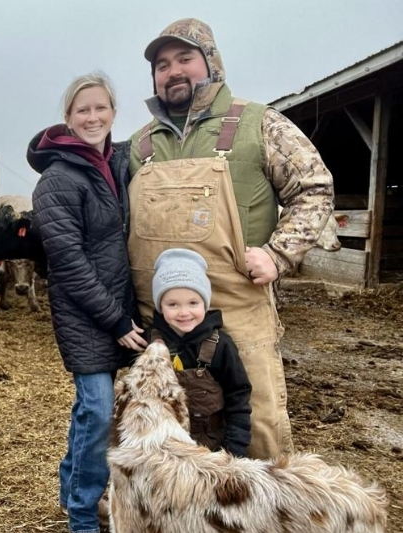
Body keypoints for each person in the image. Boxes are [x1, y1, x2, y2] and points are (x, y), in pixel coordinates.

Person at [126, 18, 335, 459]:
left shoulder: (260, 124)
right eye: (162, 65)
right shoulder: (140, 145)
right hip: (158, 316)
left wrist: (280, 254)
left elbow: (314, 187)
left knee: (255, 422)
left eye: (185, 58)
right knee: (162, 430)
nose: (173, 71)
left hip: (237, 304)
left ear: (211, 62)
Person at [28, 72, 147, 533]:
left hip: (121, 304)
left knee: (95, 412)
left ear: (114, 113)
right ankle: (81, 516)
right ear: (68, 118)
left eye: (101, 108)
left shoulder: (120, 165)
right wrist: (116, 320)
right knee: (97, 408)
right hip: (87, 311)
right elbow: (69, 263)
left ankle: (68, 486)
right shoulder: (57, 180)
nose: (93, 116)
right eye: (83, 110)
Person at [149, 248, 252, 457]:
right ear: (160, 306)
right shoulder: (150, 344)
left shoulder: (220, 345)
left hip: (211, 449)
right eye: (173, 304)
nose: (184, 312)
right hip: (163, 449)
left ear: (205, 303)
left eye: (193, 303)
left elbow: (238, 395)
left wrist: (235, 450)